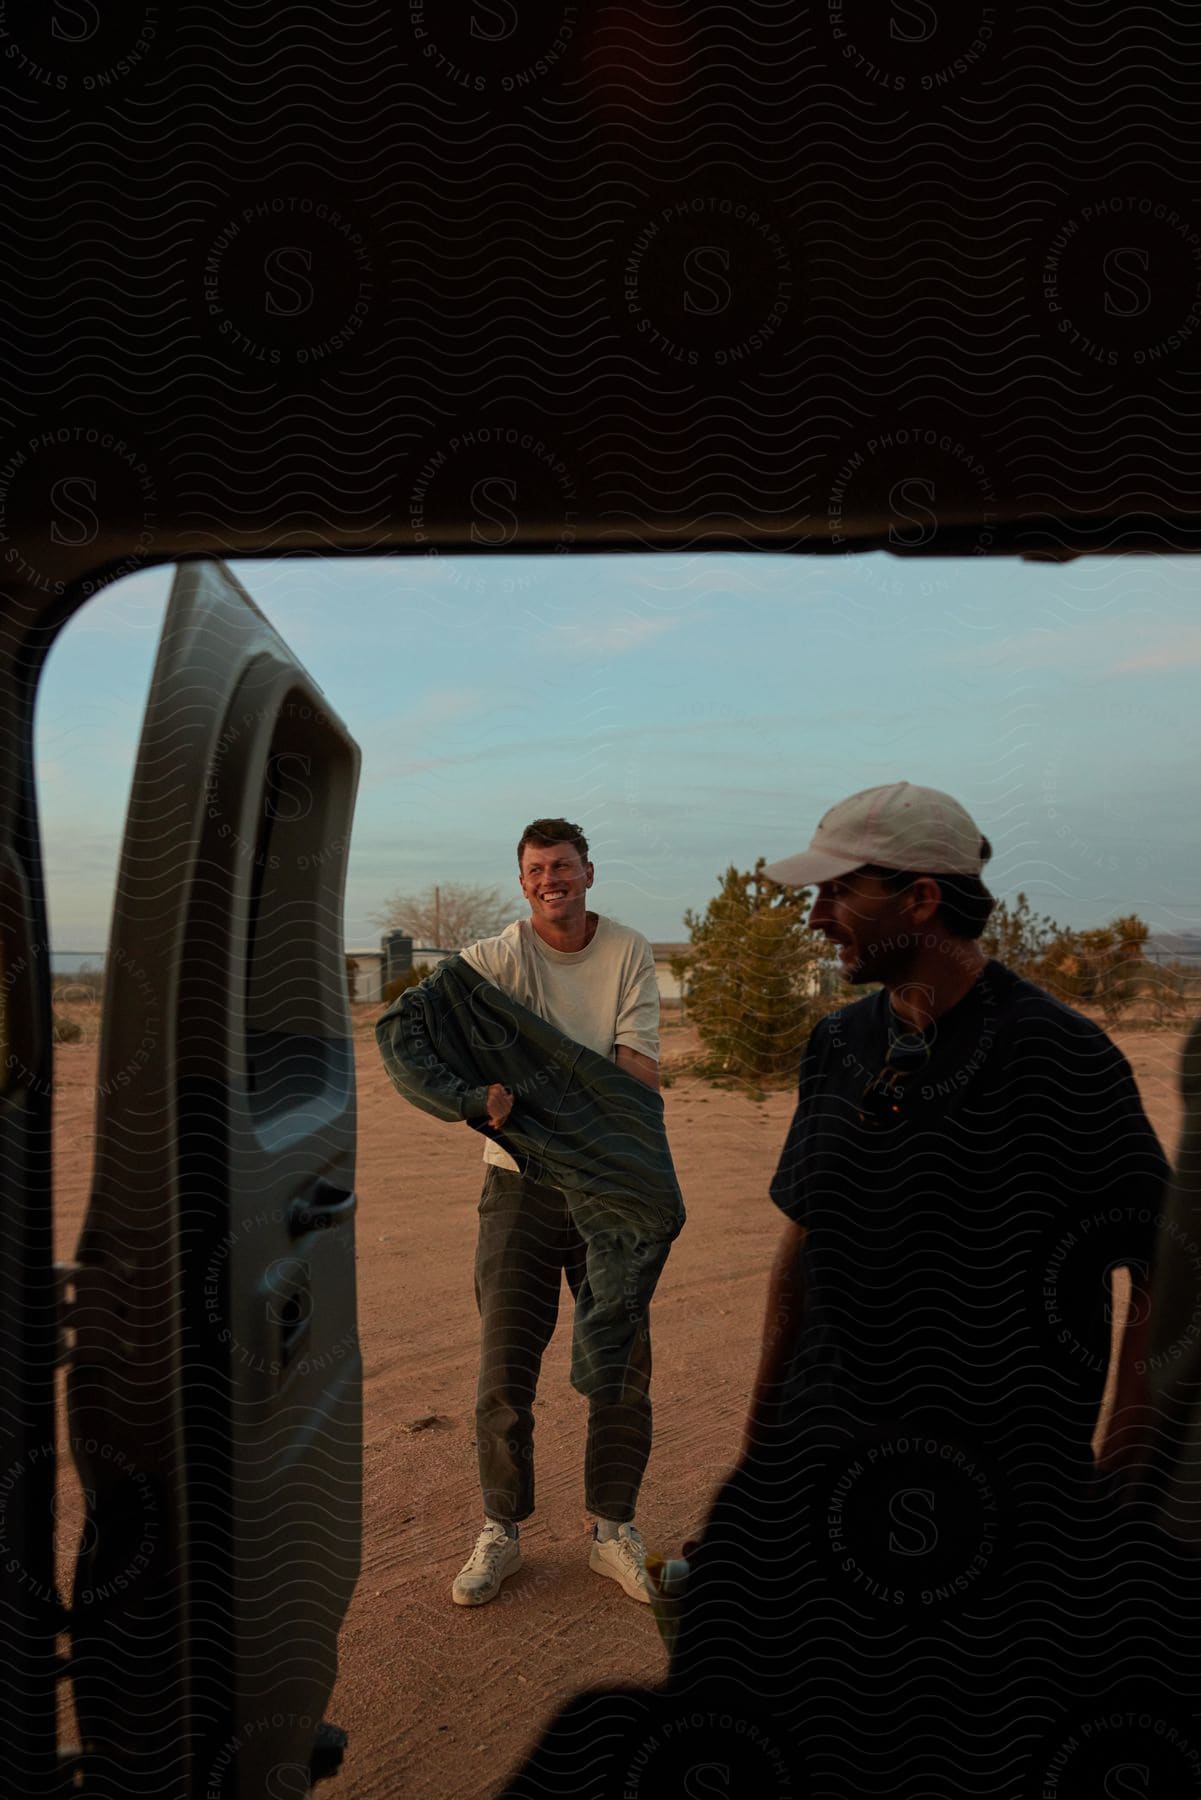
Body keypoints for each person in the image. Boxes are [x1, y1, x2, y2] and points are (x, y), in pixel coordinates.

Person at [445, 818, 672, 1609]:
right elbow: (432, 1033)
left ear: (588, 873)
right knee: (503, 1369)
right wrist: (481, 1093)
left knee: (619, 1364)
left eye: (565, 866)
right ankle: (500, 1531)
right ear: (522, 882)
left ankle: (612, 1529)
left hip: (606, 1191)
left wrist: (533, 1088)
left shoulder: (627, 952)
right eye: (537, 869)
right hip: (515, 1186)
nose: (552, 880)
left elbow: (638, 1075)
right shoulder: (496, 958)